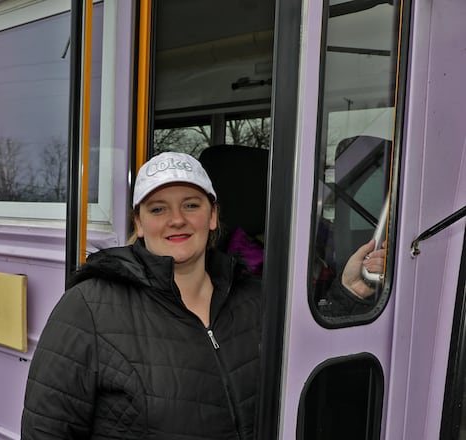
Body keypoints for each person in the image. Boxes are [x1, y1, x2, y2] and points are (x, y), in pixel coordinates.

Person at [21, 151, 384, 439]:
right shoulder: (89, 307)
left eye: (191, 205)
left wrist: (348, 293)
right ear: (139, 223)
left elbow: (309, 358)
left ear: (212, 216)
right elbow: (47, 429)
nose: (176, 219)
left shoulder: (255, 299)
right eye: (158, 208)